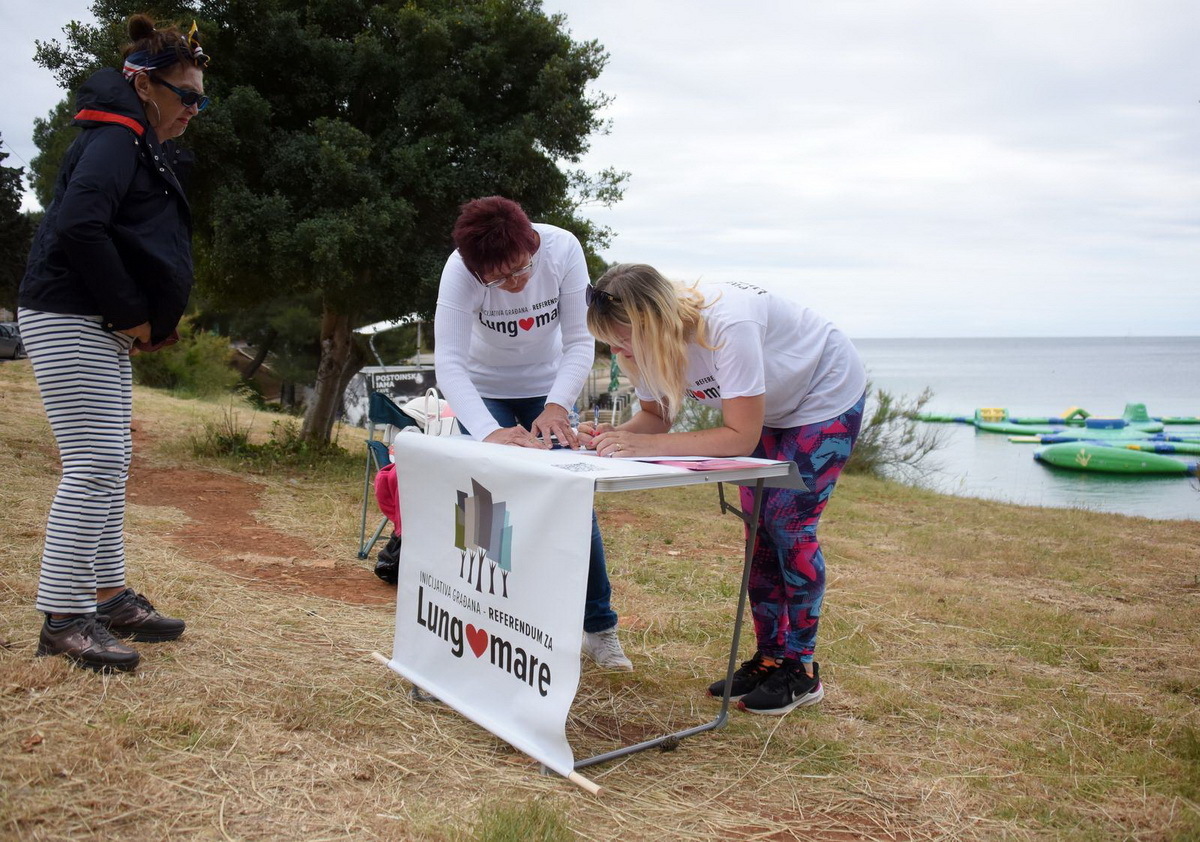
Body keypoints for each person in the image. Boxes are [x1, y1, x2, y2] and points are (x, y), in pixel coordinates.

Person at [581, 264, 867, 715]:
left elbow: (739, 438)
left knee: (789, 525)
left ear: (654, 322)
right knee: (758, 528)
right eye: (609, 342)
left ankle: (802, 668)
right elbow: (655, 419)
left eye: (623, 340)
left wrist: (646, 444)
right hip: (770, 409)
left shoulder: (729, 323)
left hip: (822, 391)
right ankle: (769, 657)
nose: (617, 352)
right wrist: (608, 438)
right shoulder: (635, 344)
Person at [18, 14, 210, 672]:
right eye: (187, 95)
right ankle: (65, 618)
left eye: (200, 98)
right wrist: (131, 313)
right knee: (94, 463)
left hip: (91, 321)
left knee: (110, 461)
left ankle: (107, 596)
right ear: (147, 86)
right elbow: (78, 226)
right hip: (70, 314)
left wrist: (148, 319)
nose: (195, 108)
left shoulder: (133, 140)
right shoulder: (114, 138)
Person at [433, 196, 632, 670]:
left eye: (521, 269)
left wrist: (558, 405)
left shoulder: (562, 249)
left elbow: (581, 340)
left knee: (572, 497)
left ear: (532, 244)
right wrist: (487, 432)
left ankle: (598, 627)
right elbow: (451, 362)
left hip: (549, 388)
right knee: (487, 503)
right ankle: (491, 618)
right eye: (498, 280)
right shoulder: (459, 272)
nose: (515, 283)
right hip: (483, 392)